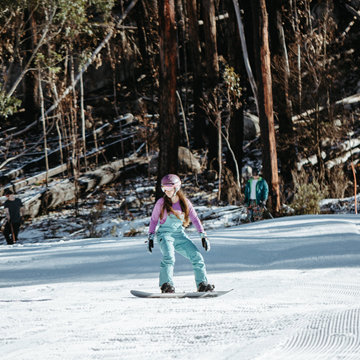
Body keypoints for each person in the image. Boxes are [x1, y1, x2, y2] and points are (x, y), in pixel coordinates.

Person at [147, 174, 214, 293]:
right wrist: (151, 236)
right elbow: (153, 220)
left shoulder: (185, 203)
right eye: (164, 189)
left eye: (169, 189)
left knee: (197, 256)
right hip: (165, 235)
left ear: (177, 188)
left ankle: (202, 284)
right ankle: (166, 285)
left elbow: (195, 219)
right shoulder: (161, 203)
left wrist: (203, 235)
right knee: (169, 257)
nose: (166, 192)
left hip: (179, 235)